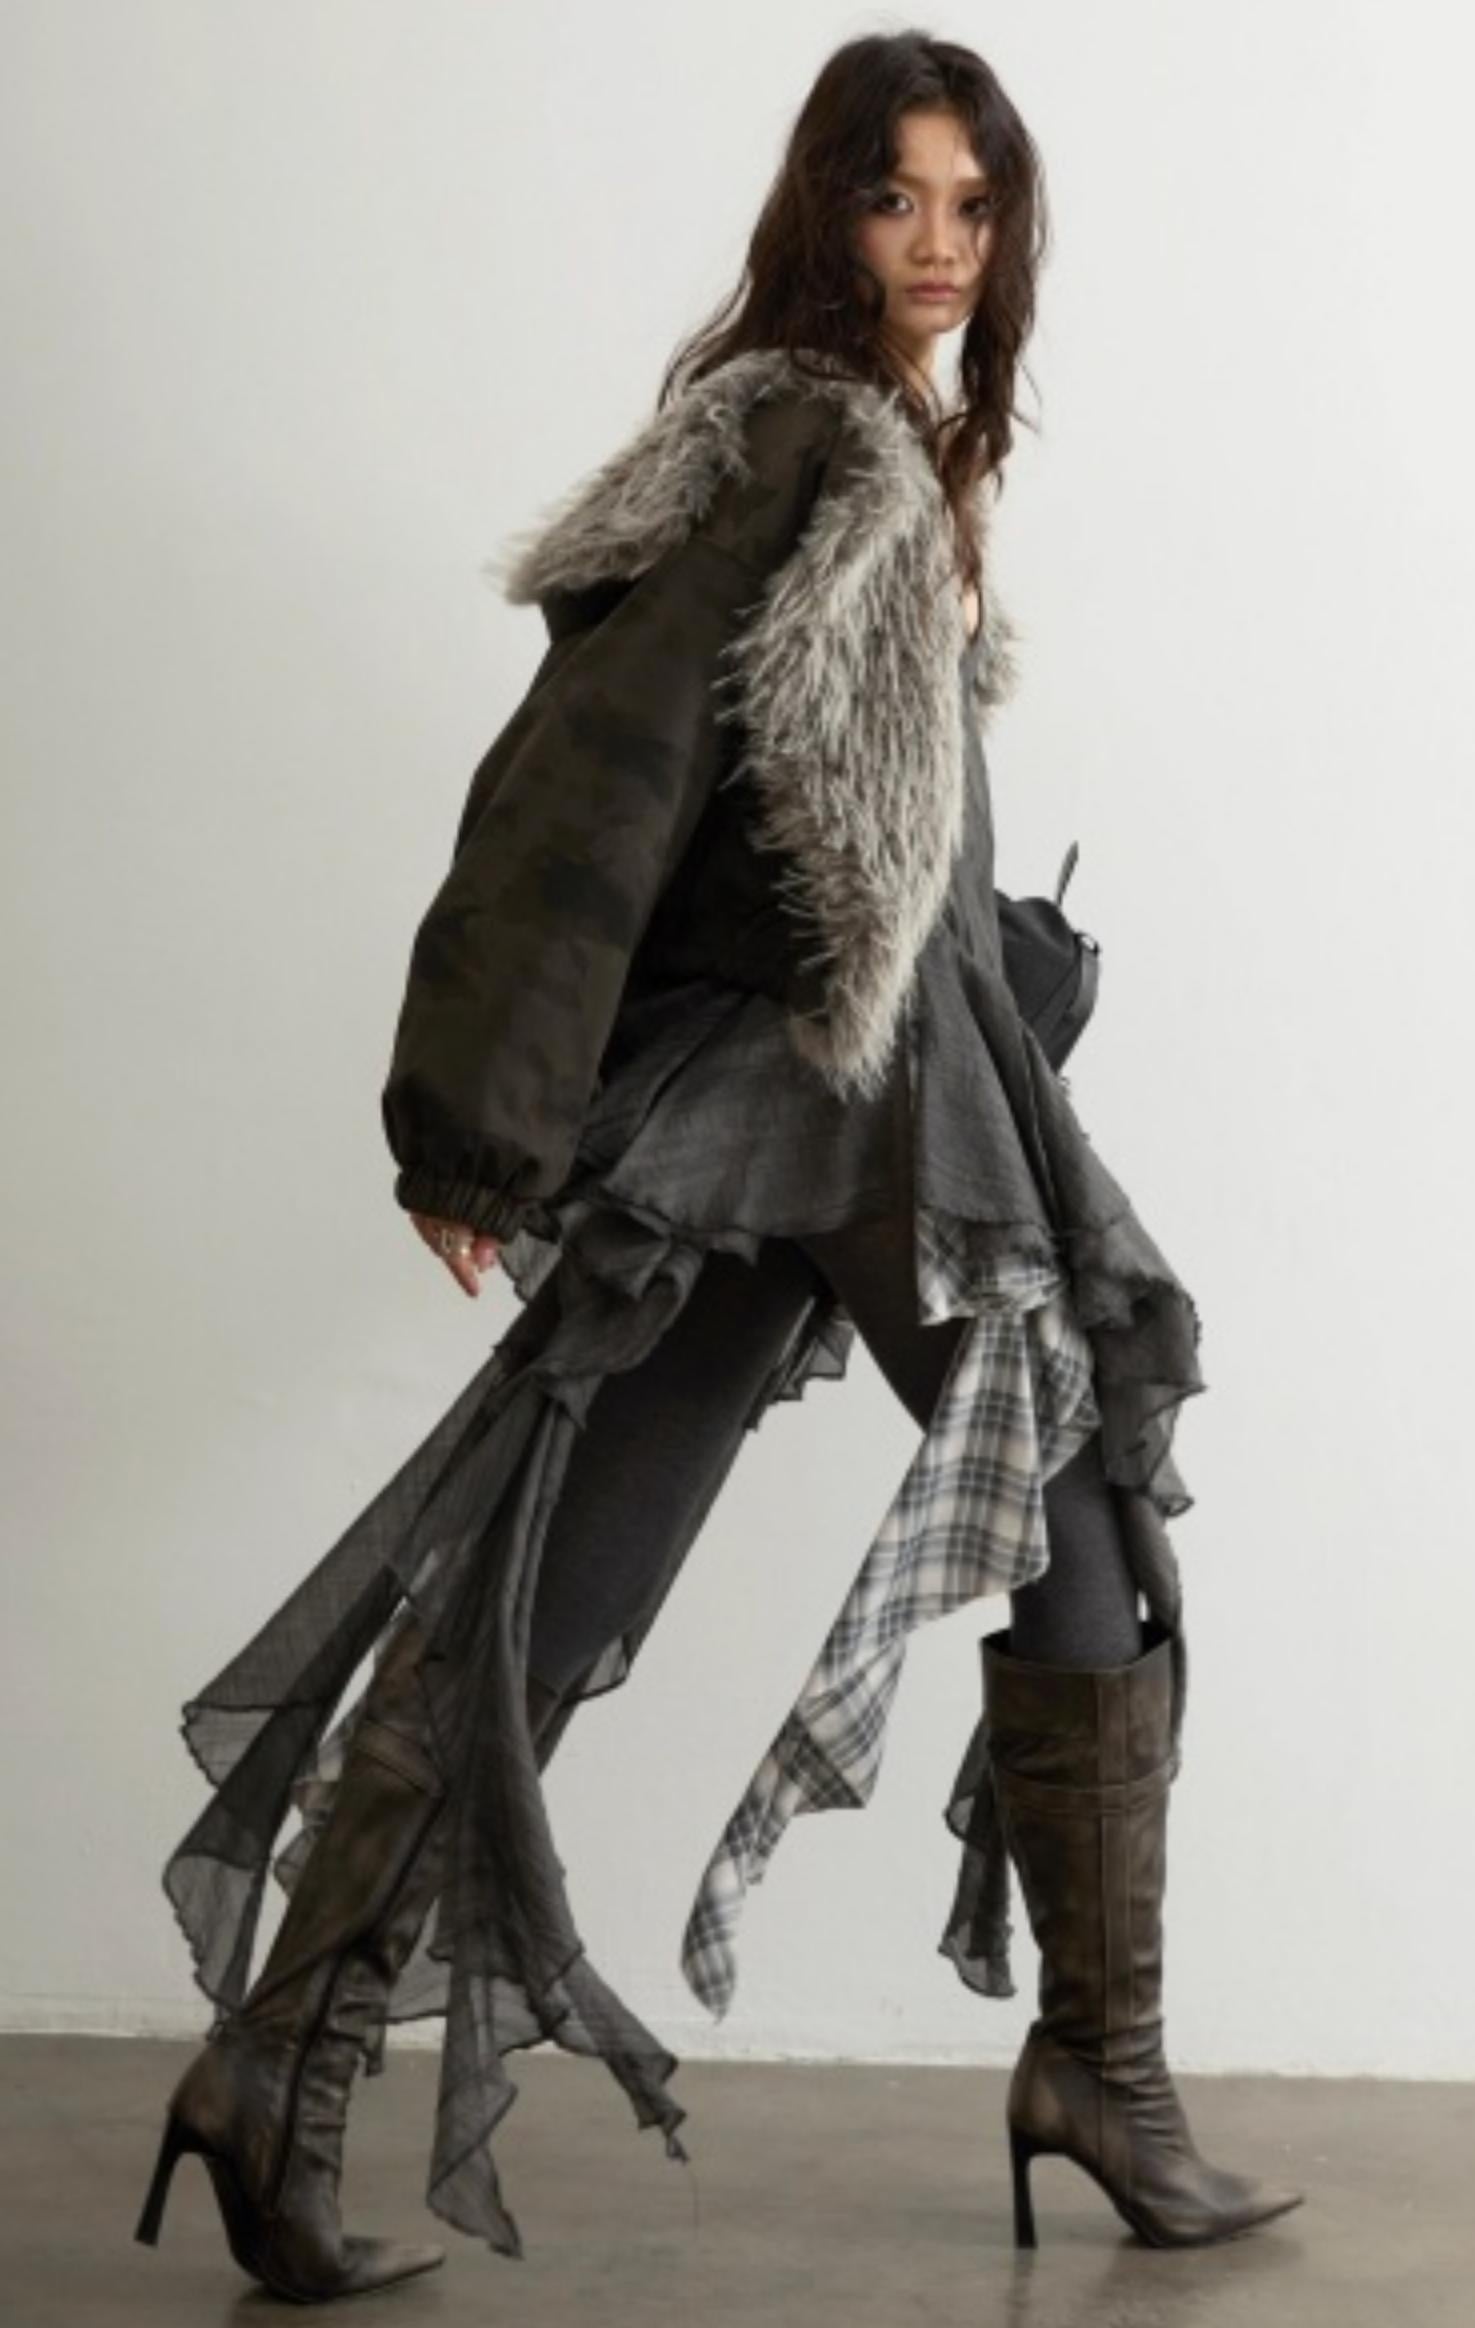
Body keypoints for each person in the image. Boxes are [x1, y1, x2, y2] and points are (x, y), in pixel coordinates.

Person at [133, 30, 1304, 2302]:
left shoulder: (905, 454)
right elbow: (589, 784)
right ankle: (1096, 2073)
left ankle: (283, 2065)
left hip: (862, 1105)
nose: (940, 244)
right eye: (896, 198)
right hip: (810, 1111)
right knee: (1055, 1517)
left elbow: (852, 826)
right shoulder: (794, 439)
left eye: (974, 203)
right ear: (823, 212)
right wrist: (478, 1121)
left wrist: (994, 972)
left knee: (604, 1577)